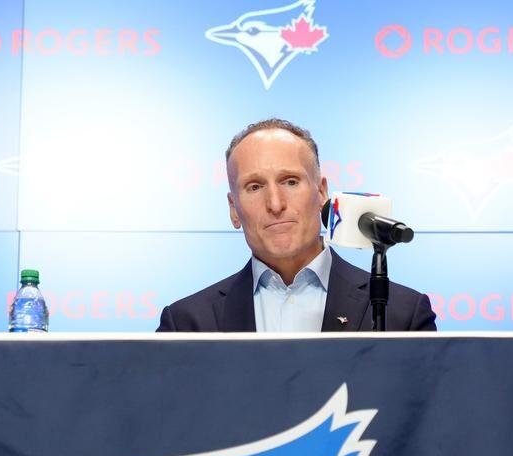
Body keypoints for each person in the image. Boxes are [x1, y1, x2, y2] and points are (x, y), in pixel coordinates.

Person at [156, 118, 436, 333]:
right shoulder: (186, 324)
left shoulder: (403, 313)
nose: (275, 204)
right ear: (233, 209)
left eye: (290, 181)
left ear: (322, 192)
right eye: (254, 187)